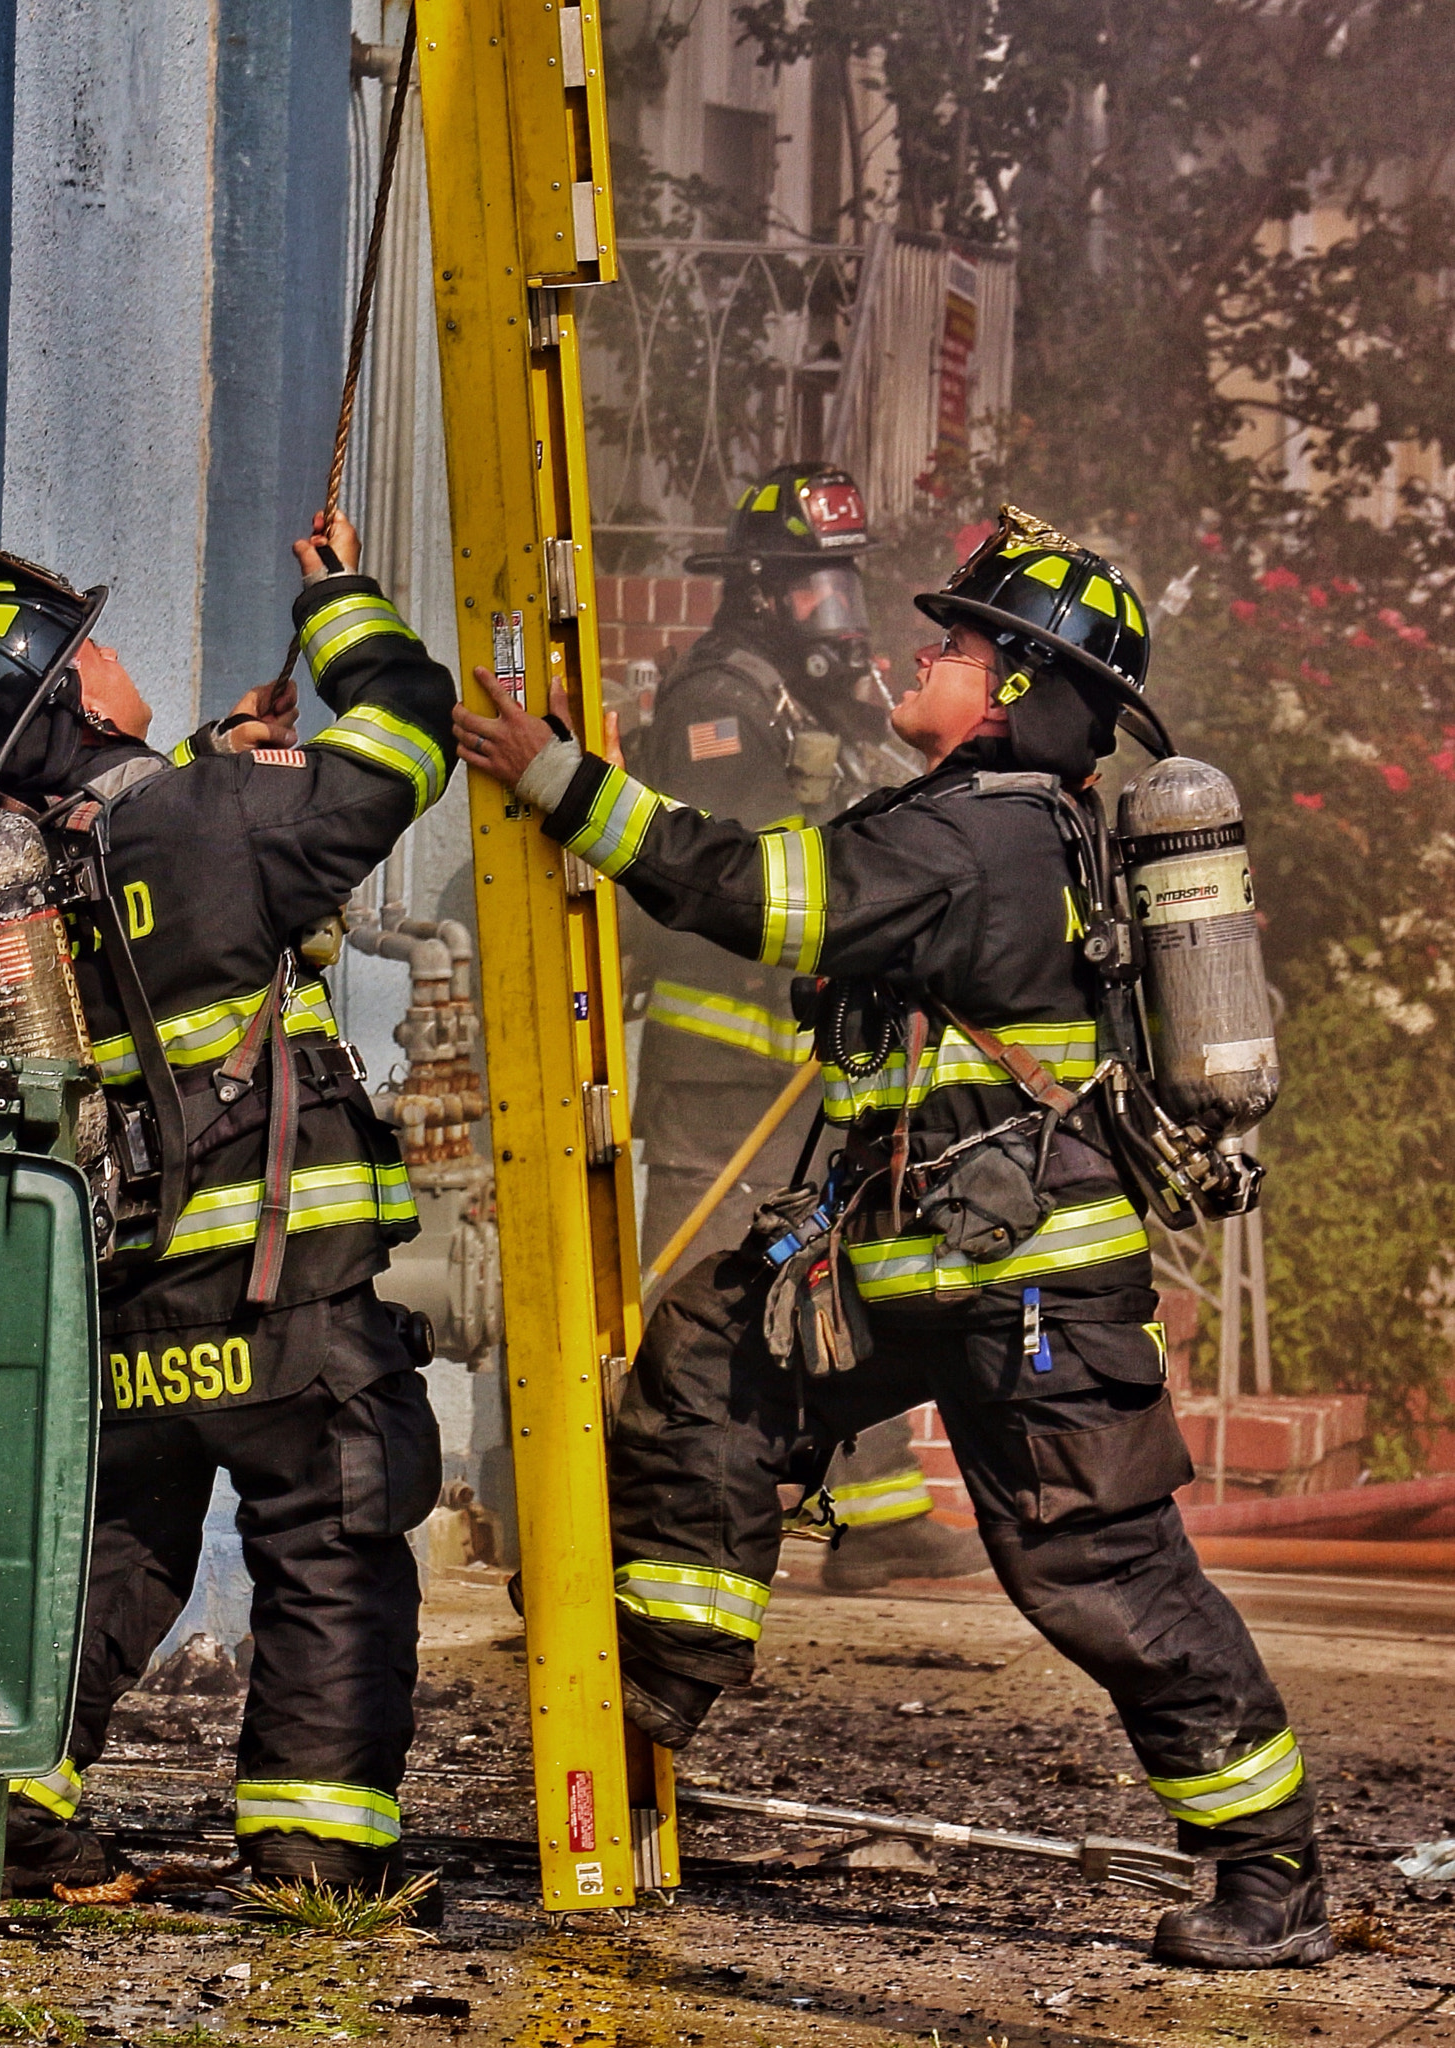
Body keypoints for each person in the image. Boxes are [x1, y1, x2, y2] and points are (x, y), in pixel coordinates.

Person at [454, 506, 1330, 1969]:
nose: (924, 650)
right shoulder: (998, 824)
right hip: (918, 1260)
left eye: (958, 639)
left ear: (1011, 691)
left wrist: (557, 780)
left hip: (1026, 1292)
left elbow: (755, 896)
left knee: (1100, 1578)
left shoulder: (975, 835)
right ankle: (649, 1688)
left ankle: (1269, 1873)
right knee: (712, 1357)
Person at [0, 511, 456, 1912]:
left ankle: (4, 1814)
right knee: (332, 1548)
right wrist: (339, 605)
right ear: (77, 693)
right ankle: (314, 1854)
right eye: (94, 646)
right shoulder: (218, 821)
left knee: (110, 1553)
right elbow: (407, 735)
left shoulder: (29, 887)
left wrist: (223, 760)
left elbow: (163, 887)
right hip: (288, 1298)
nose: (114, 656)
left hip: (129, 1294)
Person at [625, 465, 983, 1594]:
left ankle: (876, 1519)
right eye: (813, 587)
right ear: (761, 590)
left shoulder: (812, 695)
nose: (838, 610)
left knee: (836, 1276)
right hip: (720, 1066)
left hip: (802, 1065)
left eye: (846, 582)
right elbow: (753, 874)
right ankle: (621, 1510)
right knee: (686, 1290)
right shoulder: (719, 702)